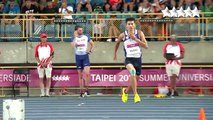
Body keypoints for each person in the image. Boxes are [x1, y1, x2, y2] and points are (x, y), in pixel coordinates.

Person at [114, 17, 148, 103]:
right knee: (132, 72)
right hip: (128, 59)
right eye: (129, 24)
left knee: (135, 80)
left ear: (135, 25)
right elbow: (117, 43)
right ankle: (136, 95)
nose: (130, 26)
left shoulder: (139, 33)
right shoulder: (123, 35)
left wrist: (135, 39)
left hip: (138, 59)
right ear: (126, 26)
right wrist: (115, 53)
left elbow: (146, 46)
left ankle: (125, 91)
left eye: (132, 24)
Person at [71, 25, 94, 97]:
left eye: (82, 30)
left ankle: (87, 89)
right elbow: (72, 46)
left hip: (85, 56)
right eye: (79, 30)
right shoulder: (74, 38)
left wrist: (90, 50)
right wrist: (75, 37)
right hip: (78, 57)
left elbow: (92, 44)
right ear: (76, 31)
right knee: (80, 75)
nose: (81, 31)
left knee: (87, 73)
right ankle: (81, 90)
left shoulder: (86, 36)